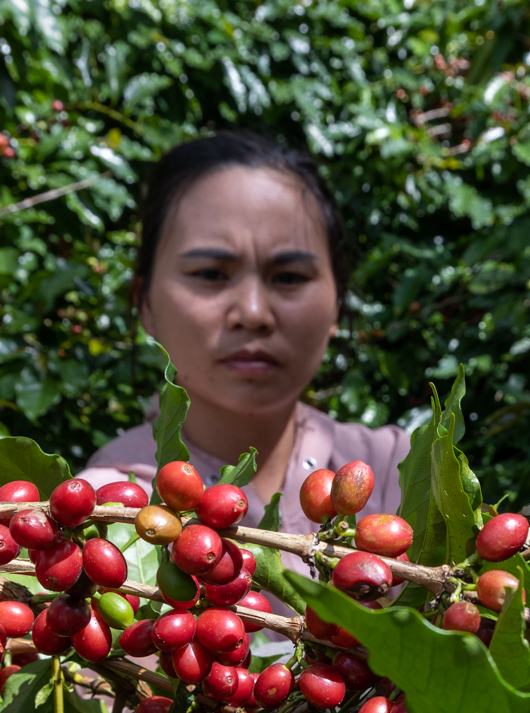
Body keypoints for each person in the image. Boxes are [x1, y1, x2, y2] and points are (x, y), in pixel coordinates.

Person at [81, 131, 407, 529]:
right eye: (211, 274)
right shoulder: (103, 516)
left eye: (288, 277)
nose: (253, 314)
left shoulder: (405, 476)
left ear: (337, 301)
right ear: (145, 302)